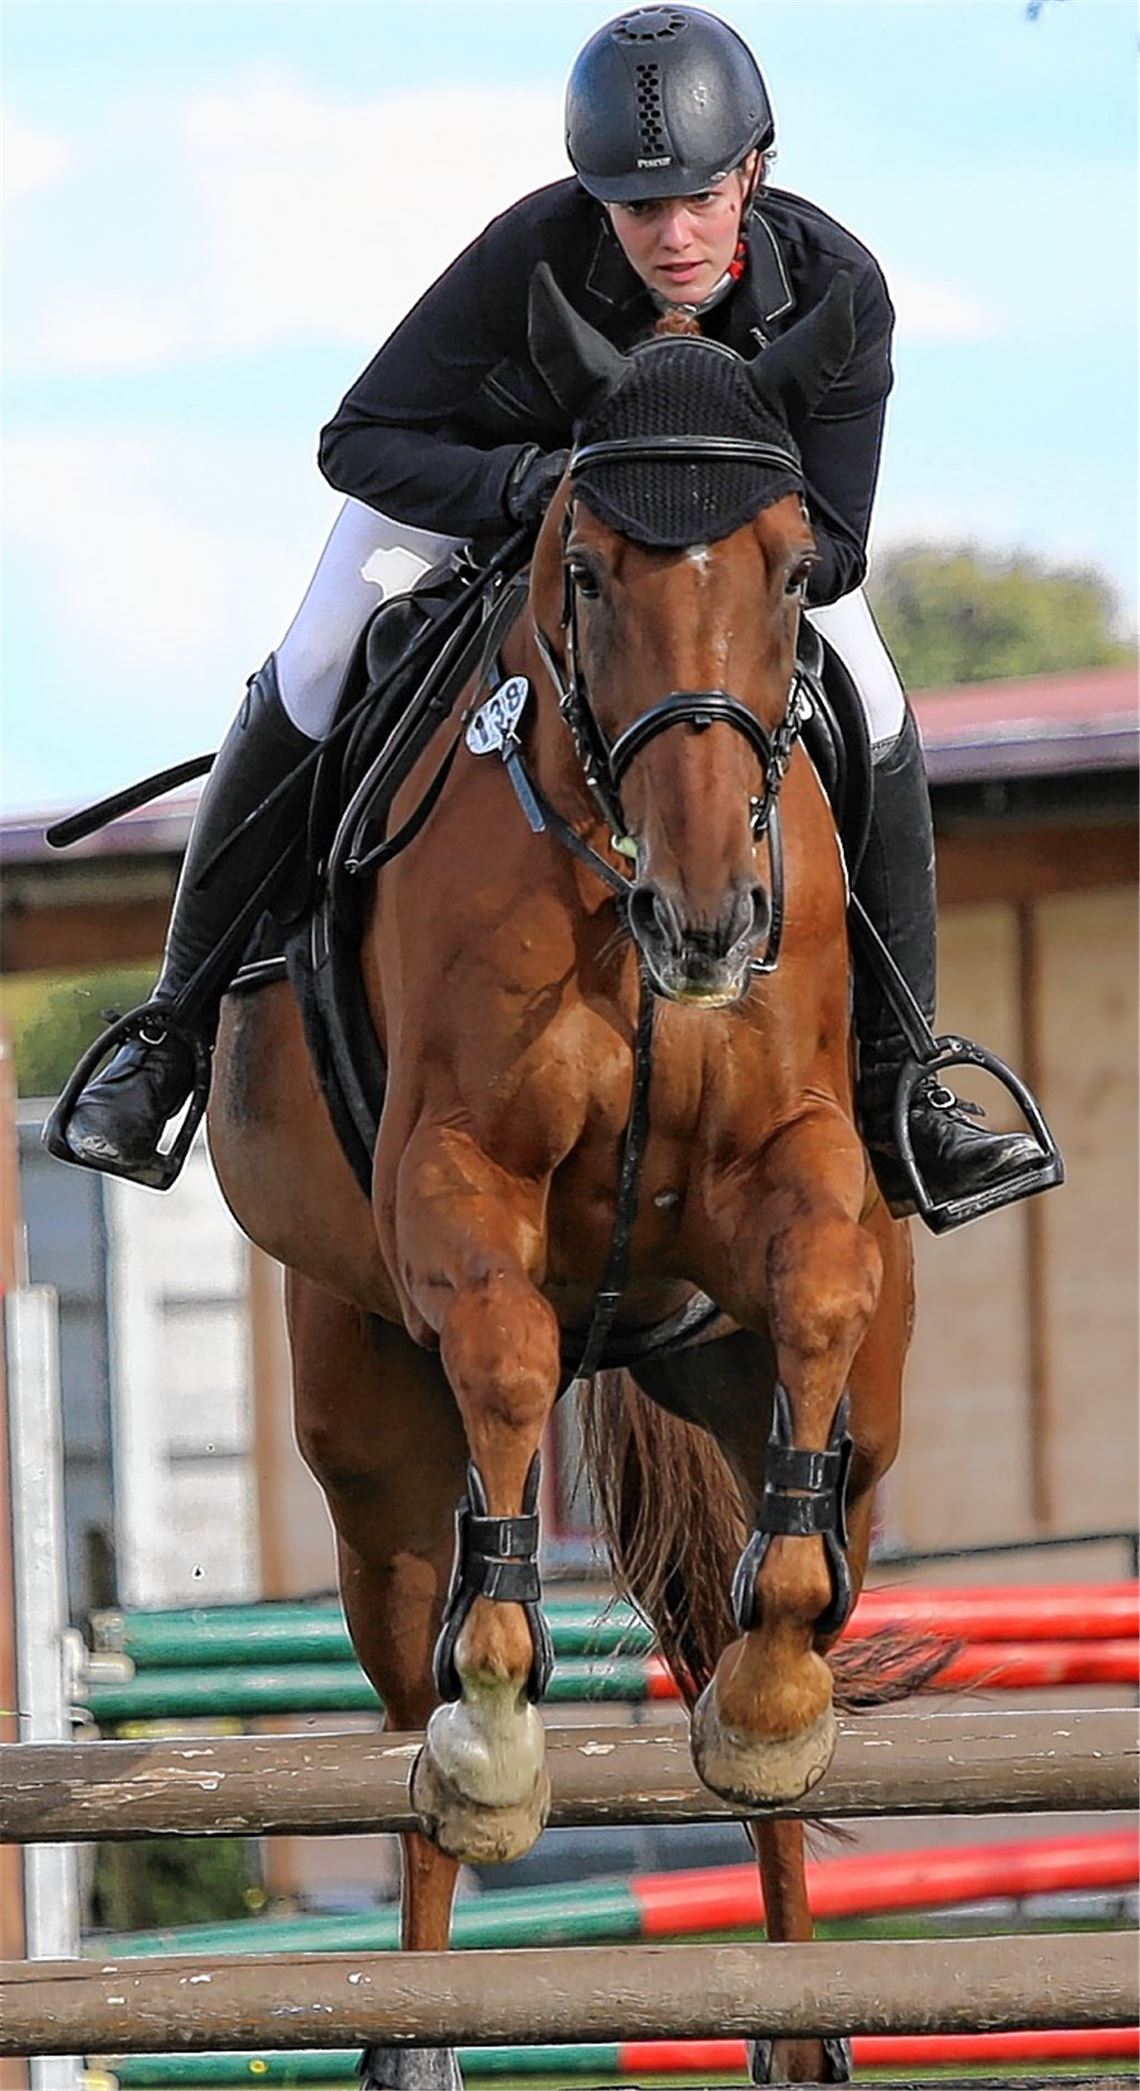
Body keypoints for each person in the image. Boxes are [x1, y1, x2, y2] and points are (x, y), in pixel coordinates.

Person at [58, 3, 1049, 1223]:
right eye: (640, 209)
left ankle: (907, 1082)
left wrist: (707, 540)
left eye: (700, 198)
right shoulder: (524, 256)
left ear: (753, 172)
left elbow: (835, 543)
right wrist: (527, 491)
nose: (673, 235)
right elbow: (359, 440)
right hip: (486, 504)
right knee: (317, 658)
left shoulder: (838, 287)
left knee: (885, 712)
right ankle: (168, 1040)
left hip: (718, 567)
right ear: (598, 200)